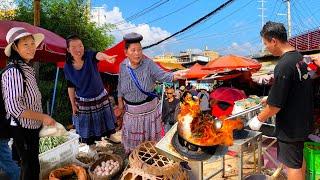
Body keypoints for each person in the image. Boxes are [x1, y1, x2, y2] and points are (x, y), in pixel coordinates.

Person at [247, 21, 313, 180]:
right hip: (302, 122)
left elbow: (275, 106)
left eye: (266, 43)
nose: (266, 48)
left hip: (290, 126)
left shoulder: (283, 65)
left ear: (274, 41)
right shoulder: (299, 58)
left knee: (292, 167)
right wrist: (268, 98)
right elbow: (293, 91)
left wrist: (258, 119)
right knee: (297, 160)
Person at [2, 27, 56, 180]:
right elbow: (14, 107)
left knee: (33, 164)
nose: (31, 48)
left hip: (31, 127)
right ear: (14, 47)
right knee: (27, 167)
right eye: (25, 44)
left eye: (33, 43)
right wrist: (42, 117)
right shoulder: (13, 71)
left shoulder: (26, 68)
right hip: (22, 129)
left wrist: (40, 119)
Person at [117, 32, 186, 153]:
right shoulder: (122, 65)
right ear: (126, 52)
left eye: (139, 50)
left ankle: (150, 164)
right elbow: (120, 85)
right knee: (134, 148)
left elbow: (164, 76)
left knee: (149, 147)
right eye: (133, 50)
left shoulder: (149, 64)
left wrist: (176, 75)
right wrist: (119, 101)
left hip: (149, 114)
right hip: (131, 115)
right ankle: (135, 163)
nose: (137, 53)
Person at [64, 35, 120, 145]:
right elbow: (70, 87)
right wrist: (73, 105)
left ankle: (110, 135)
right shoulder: (67, 67)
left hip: (100, 95)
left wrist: (106, 57)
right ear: (68, 50)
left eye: (80, 46)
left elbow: (98, 55)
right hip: (84, 101)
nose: (78, 49)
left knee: (106, 118)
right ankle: (91, 145)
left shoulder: (89, 56)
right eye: (74, 47)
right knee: (87, 125)